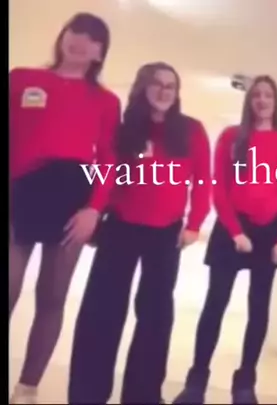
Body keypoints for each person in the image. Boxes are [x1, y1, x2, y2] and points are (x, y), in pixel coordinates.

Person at [67, 62, 212, 404]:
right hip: (120, 226)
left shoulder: (191, 130)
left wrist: (195, 223)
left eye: (170, 86)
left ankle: (142, 395)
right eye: (157, 84)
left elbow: (203, 180)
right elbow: (106, 172)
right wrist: (95, 212)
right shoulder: (125, 129)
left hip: (166, 234)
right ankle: (87, 395)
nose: (164, 91)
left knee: (155, 316)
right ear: (143, 87)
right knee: (102, 310)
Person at [8, 13, 120, 404]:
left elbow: (109, 159)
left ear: (100, 53)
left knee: (52, 296)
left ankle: (27, 388)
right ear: (63, 36)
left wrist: (95, 210)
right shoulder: (21, 79)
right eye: (76, 32)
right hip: (21, 191)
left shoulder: (106, 101)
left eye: (92, 38)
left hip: (73, 198)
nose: (80, 41)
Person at [173, 75, 277, 405]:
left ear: (275, 102)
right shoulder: (232, 137)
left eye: (268, 95)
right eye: (256, 95)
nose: (262, 100)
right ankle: (196, 382)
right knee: (215, 304)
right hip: (233, 229)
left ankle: (245, 384)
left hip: (270, 232)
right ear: (249, 101)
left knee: (259, 309)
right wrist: (236, 232)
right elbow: (220, 188)